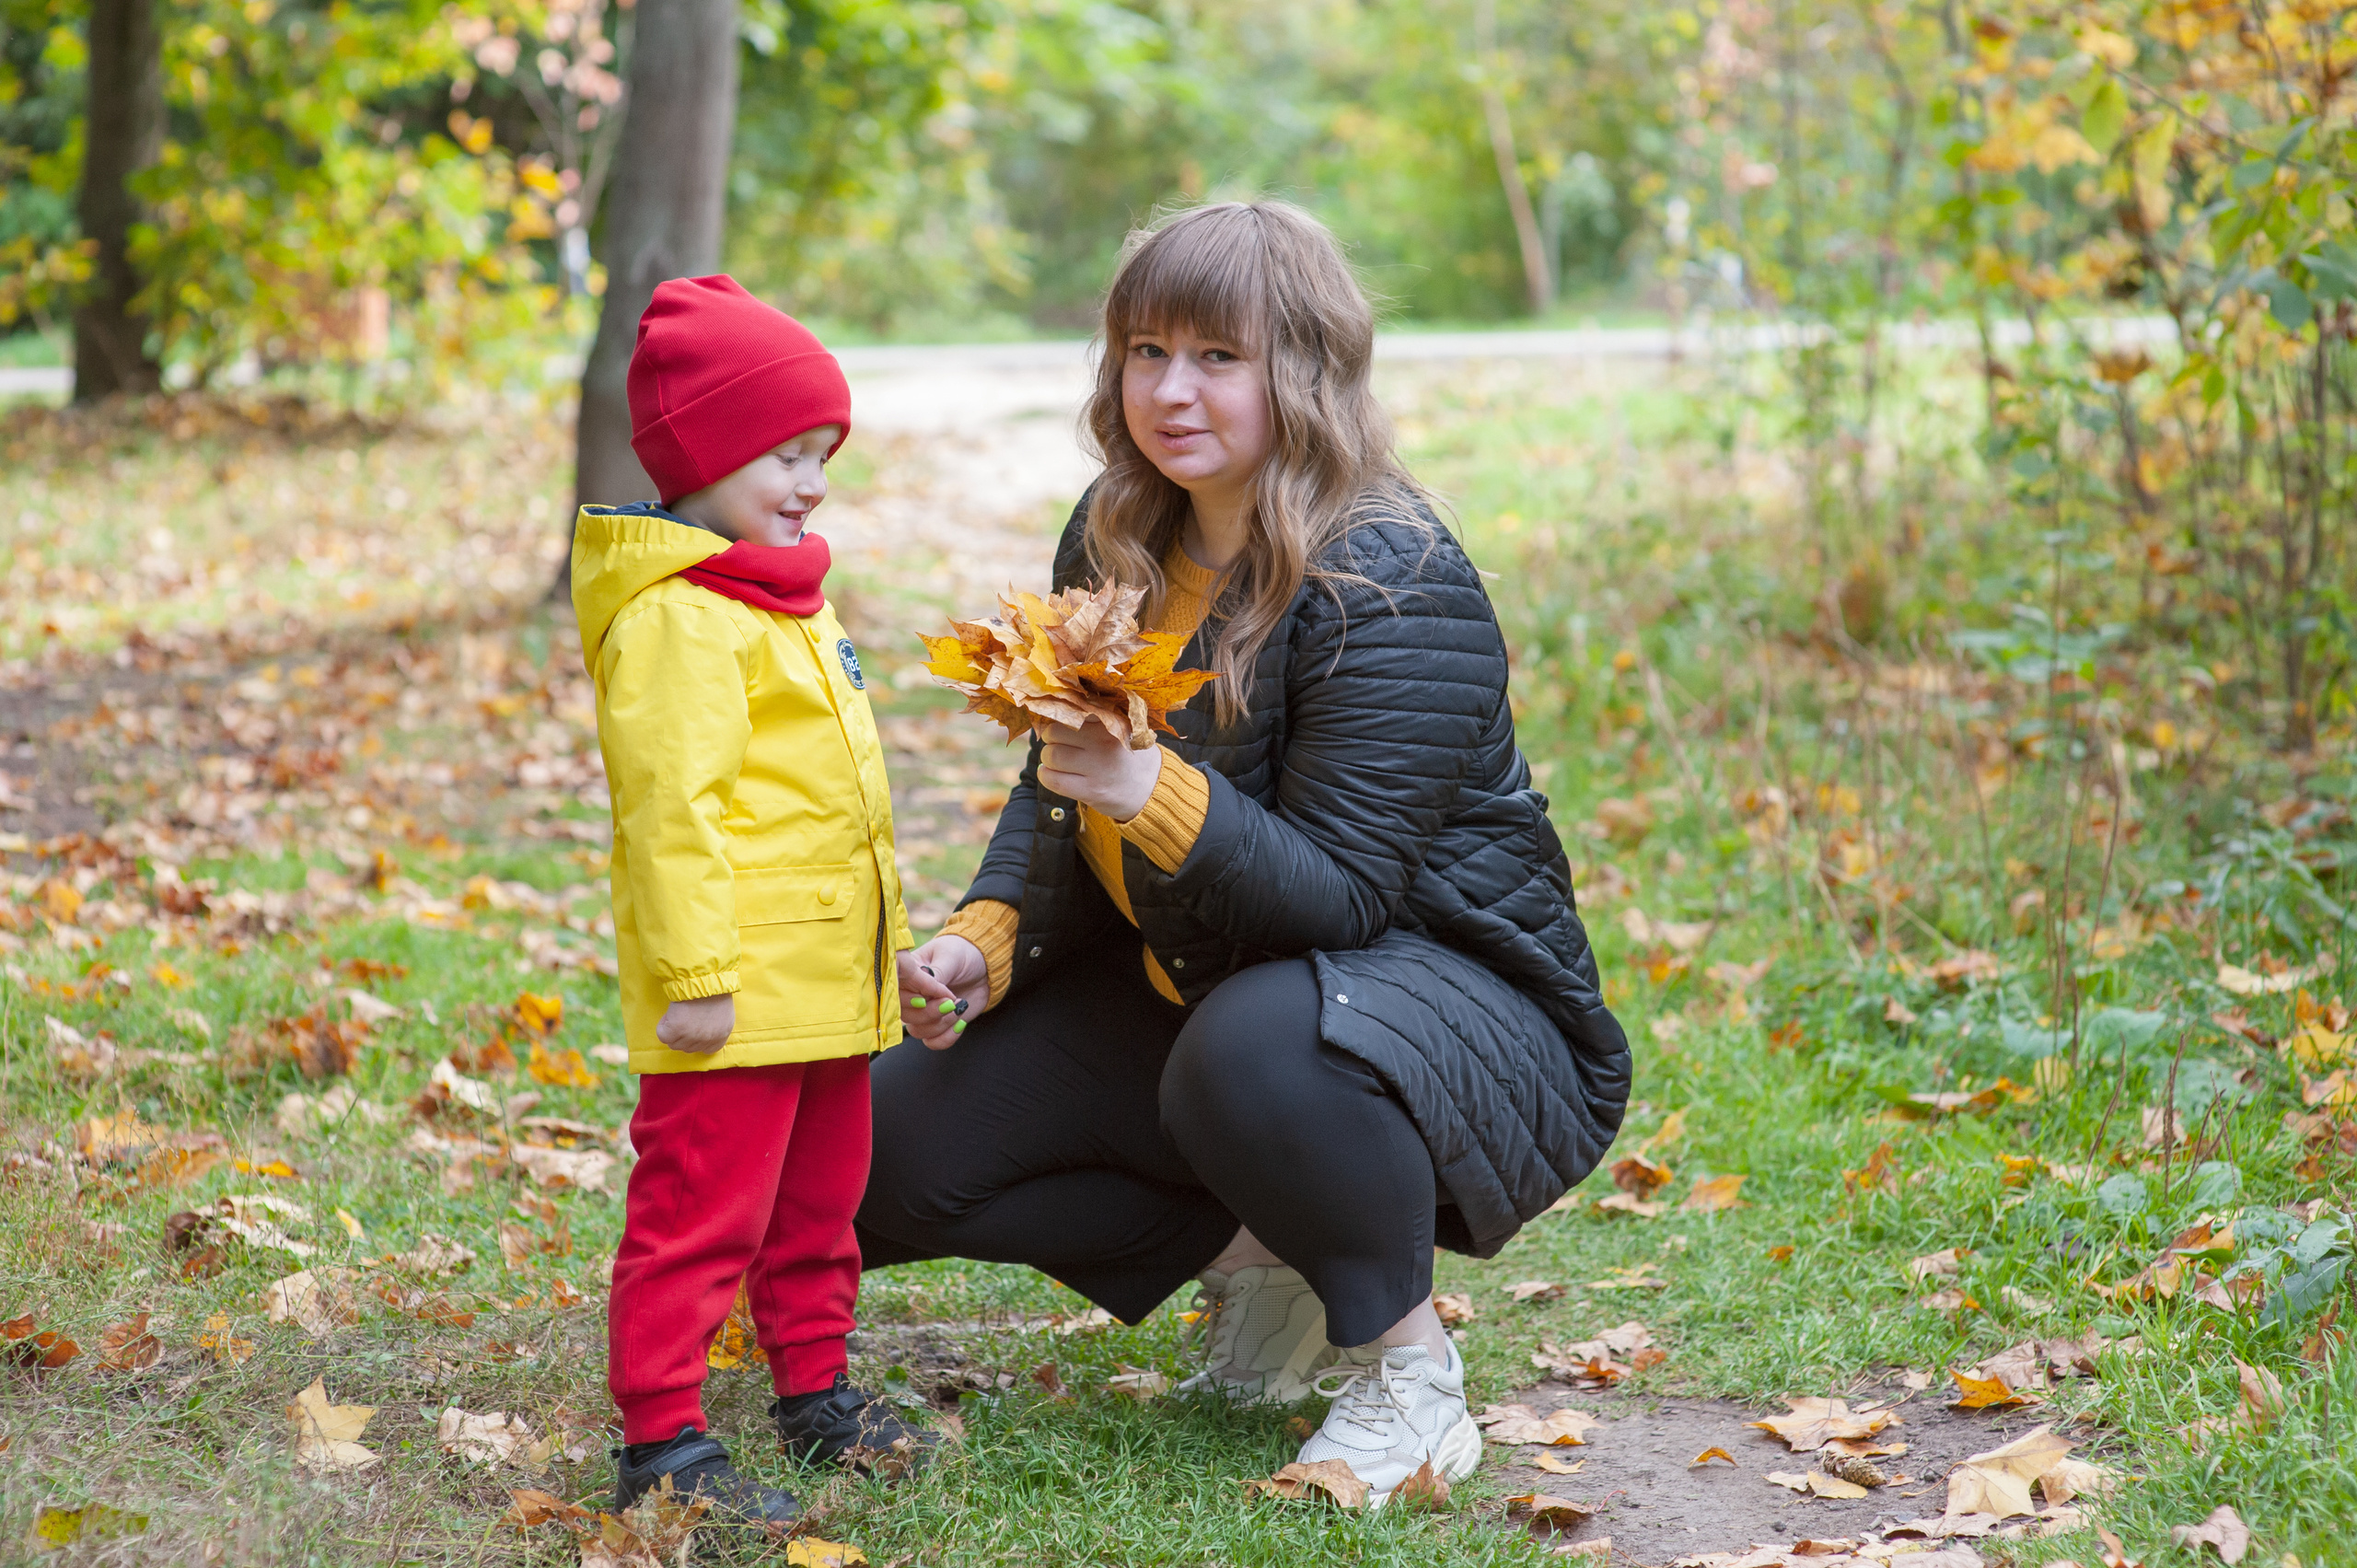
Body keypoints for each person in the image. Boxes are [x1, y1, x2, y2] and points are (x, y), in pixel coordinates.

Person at [866, 203, 1630, 1504]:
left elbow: (1341, 893)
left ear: (1308, 366)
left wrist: (1148, 785)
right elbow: (1058, 789)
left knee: (1254, 1044)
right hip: (1210, 979)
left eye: (1221, 357)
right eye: (1146, 350)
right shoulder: (1117, 531)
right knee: (868, 1166)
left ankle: (1407, 1373)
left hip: (1441, 998)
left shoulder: (1392, 576)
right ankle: (1273, 1268)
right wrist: (986, 937)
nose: (1171, 391)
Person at [571, 274, 932, 1528]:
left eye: (823, 454)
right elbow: (673, 816)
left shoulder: (785, 599)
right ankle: (663, 1444)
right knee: (698, 1214)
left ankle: (815, 1388)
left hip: (825, 982)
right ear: (709, 452)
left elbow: (827, 809)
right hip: (731, 993)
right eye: (786, 452)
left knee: (822, 1207)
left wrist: (889, 962)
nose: (813, 480)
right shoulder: (679, 621)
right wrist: (694, 980)